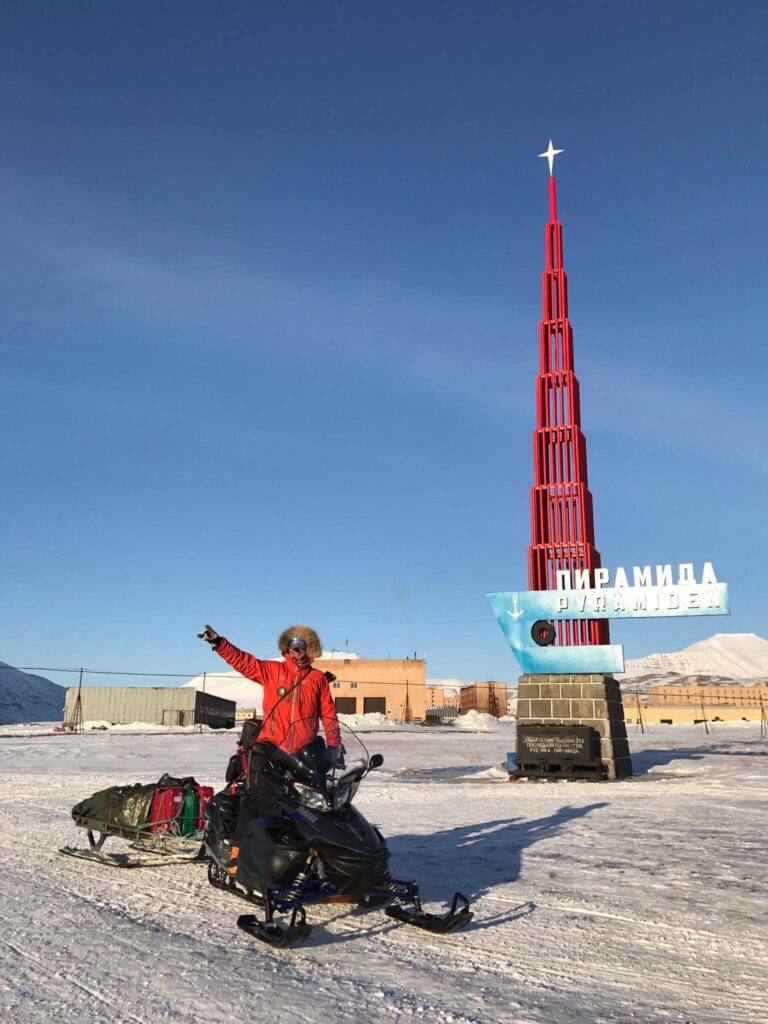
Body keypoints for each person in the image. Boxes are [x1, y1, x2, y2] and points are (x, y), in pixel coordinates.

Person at [197, 623, 341, 760]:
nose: (295, 649)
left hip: (303, 753)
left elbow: (329, 715)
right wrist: (220, 644)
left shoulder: (317, 679)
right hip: (272, 750)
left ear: (309, 648)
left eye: (300, 645)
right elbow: (244, 662)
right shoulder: (272, 670)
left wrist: (334, 745)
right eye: (292, 644)